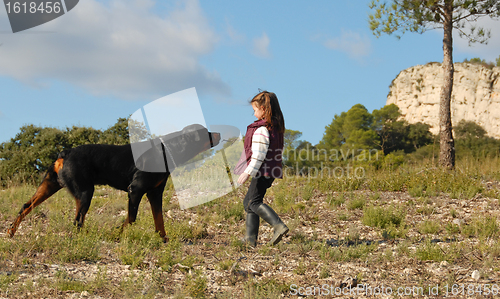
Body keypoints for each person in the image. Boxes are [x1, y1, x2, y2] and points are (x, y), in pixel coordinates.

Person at [235, 91, 289, 247]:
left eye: (255, 110)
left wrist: (247, 172)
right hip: (269, 171)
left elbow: (258, 155)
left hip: (261, 170)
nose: (254, 114)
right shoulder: (275, 128)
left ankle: (278, 226)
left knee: (253, 202)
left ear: (264, 109)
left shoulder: (261, 129)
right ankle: (250, 239)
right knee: (250, 202)